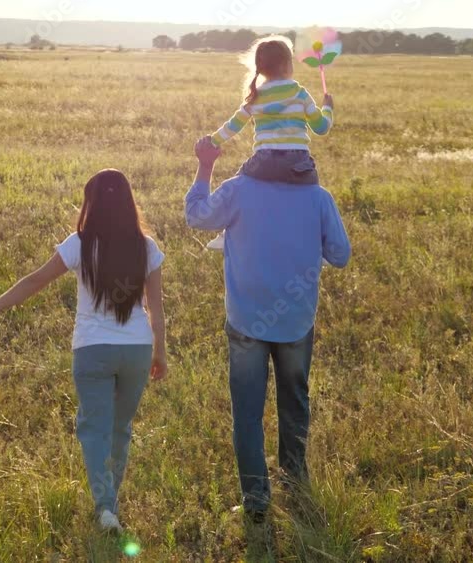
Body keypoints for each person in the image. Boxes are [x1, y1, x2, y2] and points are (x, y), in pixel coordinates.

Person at [0, 169, 167, 533]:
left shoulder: (79, 243)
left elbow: (34, 281)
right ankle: (111, 504)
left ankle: (106, 507)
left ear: (91, 204)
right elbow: (156, 305)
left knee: (94, 428)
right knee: (120, 428)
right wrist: (160, 352)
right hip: (136, 349)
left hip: (92, 350)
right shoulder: (147, 247)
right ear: (128, 202)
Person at [184, 137, 350, 523]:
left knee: (247, 412)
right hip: (296, 321)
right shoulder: (319, 198)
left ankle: (256, 498)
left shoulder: (239, 190)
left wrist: (206, 165)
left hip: (245, 321)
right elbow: (340, 256)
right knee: (294, 403)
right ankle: (295, 480)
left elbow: (195, 216)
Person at [204, 35, 335, 250]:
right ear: (286, 65)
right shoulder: (299, 92)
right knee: (311, 201)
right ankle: (320, 243)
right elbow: (321, 128)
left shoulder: (255, 96)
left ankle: (228, 232)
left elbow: (234, 124)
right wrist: (328, 109)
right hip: (298, 163)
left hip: (264, 161)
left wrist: (214, 140)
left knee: (240, 189)